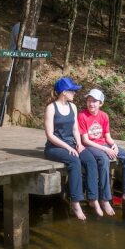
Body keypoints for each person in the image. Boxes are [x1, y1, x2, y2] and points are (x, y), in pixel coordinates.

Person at [43, 77, 103, 221]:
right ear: (64, 92)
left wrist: (79, 143)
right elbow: (50, 135)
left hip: (71, 144)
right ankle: (76, 202)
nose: (74, 94)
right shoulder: (51, 108)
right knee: (75, 161)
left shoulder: (73, 107)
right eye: (72, 91)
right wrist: (67, 147)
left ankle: (93, 198)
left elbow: (75, 129)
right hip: (54, 147)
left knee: (90, 160)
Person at [78, 88, 125, 213]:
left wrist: (114, 145)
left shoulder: (104, 116)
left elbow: (107, 137)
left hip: (104, 143)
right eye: (89, 100)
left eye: (94, 101)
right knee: (104, 160)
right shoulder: (82, 116)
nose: (91, 104)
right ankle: (105, 199)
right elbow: (85, 141)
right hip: (91, 146)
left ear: (101, 103)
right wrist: (105, 149)